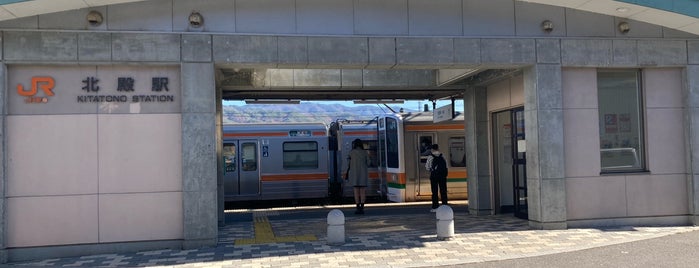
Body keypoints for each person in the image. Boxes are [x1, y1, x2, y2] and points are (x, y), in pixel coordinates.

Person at [345, 138, 370, 214]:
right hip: (363, 174)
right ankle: (362, 208)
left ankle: (357, 207)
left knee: (356, 191)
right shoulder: (365, 152)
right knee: (362, 191)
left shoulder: (351, 153)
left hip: (354, 175)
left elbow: (348, 163)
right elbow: (368, 163)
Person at [425, 144, 448, 212]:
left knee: (434, 191)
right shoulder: (443, 156)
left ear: (432, 149)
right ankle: (445, 206)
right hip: (442, 176)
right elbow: (446, 166)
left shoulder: (430, 157)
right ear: (438, 148)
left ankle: (435, 207)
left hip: (434, 176)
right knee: (443, 191)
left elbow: (427, 167)